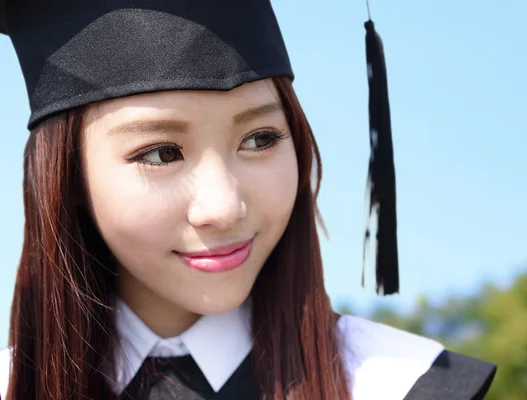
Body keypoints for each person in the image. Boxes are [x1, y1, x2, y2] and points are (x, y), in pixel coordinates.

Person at [0, 1, 496, 399]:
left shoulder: (398, 384)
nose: (224, 206)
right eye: (161, 152)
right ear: (70, 181)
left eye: (260, 139)